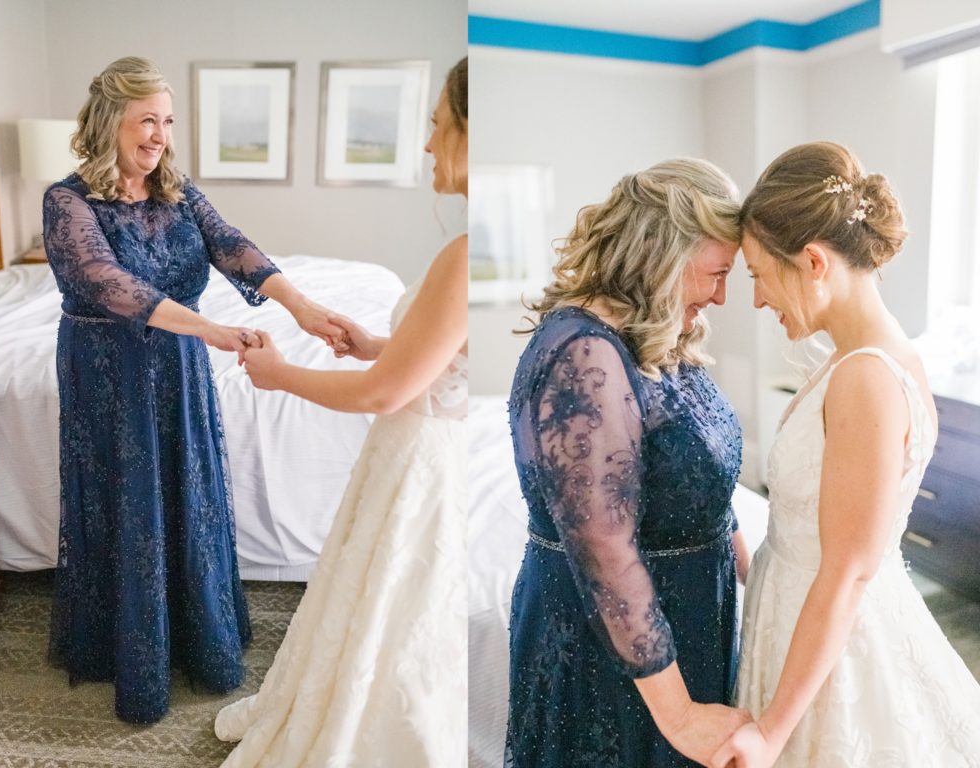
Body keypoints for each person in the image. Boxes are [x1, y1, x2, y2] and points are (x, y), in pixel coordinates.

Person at [43, 56, 345, 725]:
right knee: (128, 497)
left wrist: (300, 306)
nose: (160, 135)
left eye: (168, 121)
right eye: (146, 120)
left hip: (178, 365)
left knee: (187, 488)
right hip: (108, 372)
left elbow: (230, 243)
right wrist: (210, 328)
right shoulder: (67, 201)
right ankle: (129, 649)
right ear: (110, 122)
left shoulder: (177, 191)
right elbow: (106, 282)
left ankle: (192, 630)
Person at [213, 56, 468, 767]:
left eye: (437, 125)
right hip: (421, 448)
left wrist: (279, 375)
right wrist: (378, 345)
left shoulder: (462, 255)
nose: (427, 144)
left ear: (467, 133)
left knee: (394, 604)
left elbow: (385, 395)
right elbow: (445, 354)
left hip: (416, 456)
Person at [710, 141, 980, 768]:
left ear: (812, 261)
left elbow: (847, 571)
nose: (758, 300)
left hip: (835, 658)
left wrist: (771, 733)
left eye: (758, 275)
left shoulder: (866, 377)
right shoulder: (858, 358)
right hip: (796, 620)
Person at [505, 159, 753, 767]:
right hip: (614, 646)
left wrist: (763, 579)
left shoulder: (655, 332)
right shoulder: (582, 355)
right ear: (666, 254)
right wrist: (680, 715)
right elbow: (604, 548)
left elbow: (700, 480)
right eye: (718, 273)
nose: (721, 296)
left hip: (690, 616)